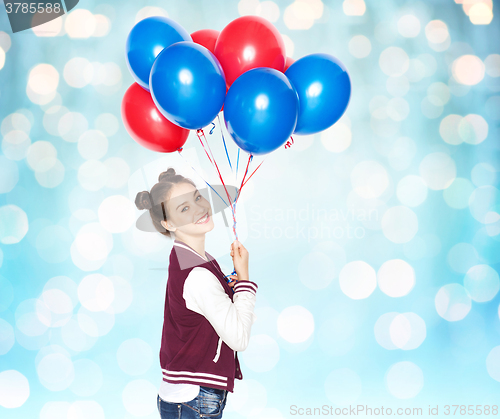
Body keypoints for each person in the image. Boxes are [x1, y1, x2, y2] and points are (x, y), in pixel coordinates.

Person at [135, 167, 258, 419]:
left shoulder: (188, 257)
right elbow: (239, 339)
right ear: (167, 223)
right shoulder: (197, 273)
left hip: (185, 395)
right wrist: (244, 280)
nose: (199, 208)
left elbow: (197, 307)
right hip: (195, 398)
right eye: (184, 208)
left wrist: (226, 287)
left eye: (197, 198)